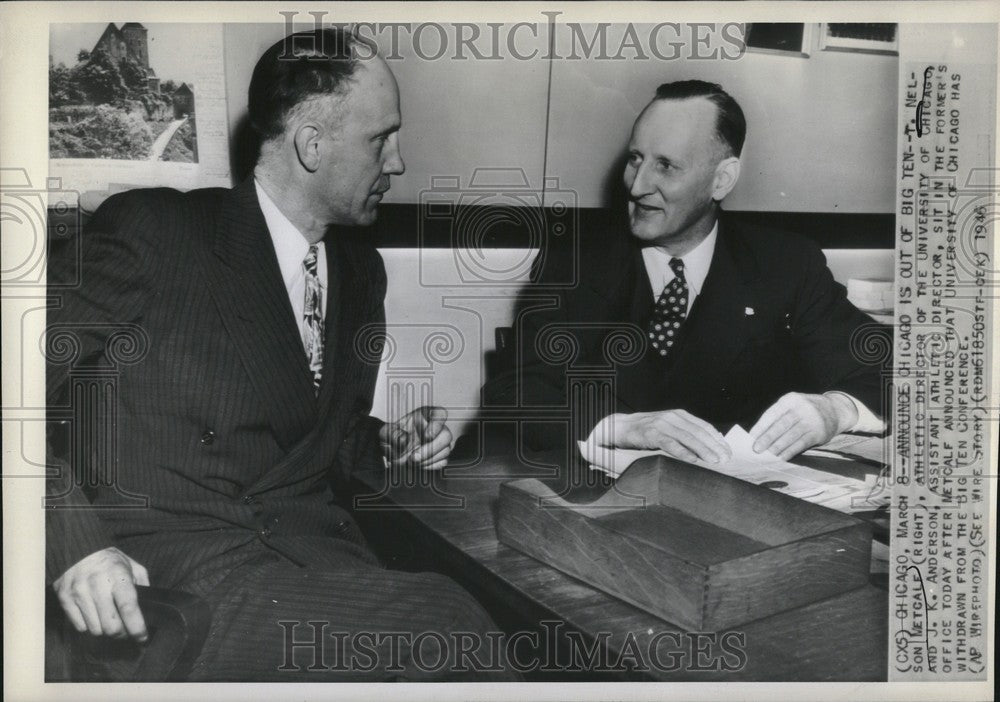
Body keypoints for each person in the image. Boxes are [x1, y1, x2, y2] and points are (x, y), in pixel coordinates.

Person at [46, 28, 511, 681]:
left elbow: (324, 447)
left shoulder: (359, 272)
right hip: (175, 590)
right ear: (312, 144)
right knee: (446, 622)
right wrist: (75, 548)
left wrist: (392, 442)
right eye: (383, 138)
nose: (398, 162)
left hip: (314, 563)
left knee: (459, 615)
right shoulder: (157, 233)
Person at [486, 80, 888, 465]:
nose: (638, 185)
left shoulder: (785, 265)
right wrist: (618, 427)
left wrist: (836, 410)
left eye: (665, 166)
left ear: (721, 179)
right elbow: (512, 390)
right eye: (635, 159)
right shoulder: (573, 262)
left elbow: (891, 367)